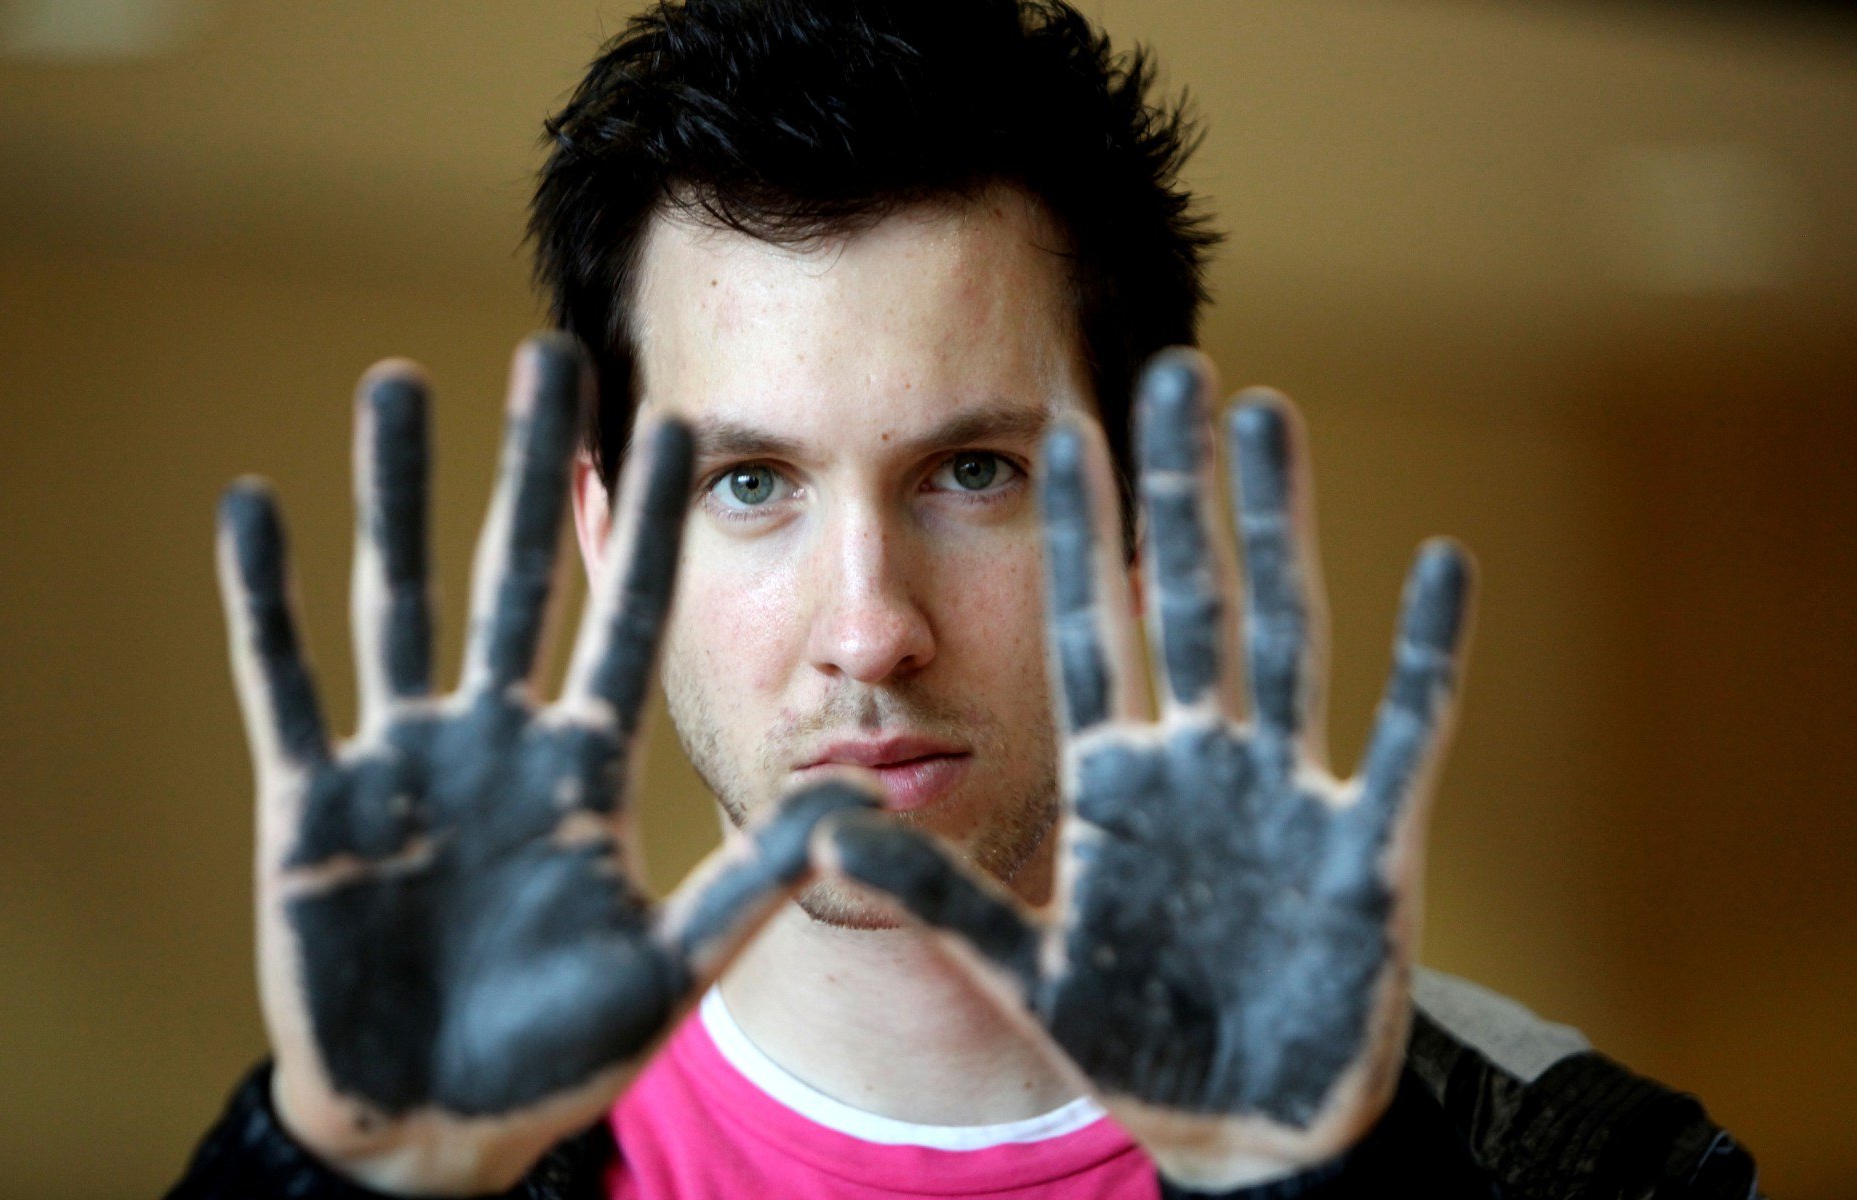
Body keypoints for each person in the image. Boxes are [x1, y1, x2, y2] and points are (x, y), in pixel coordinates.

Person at [171, 2, 1759, 1197]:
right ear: (608, 538)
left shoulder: (1557, 1155)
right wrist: (335, 1186)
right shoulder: (451, 1130)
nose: (871, 628)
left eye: (975, 471)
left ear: (1141, 510)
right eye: (750, 484)